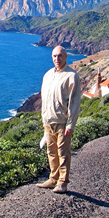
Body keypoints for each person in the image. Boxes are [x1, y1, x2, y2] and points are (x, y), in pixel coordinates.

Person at [36, 45, 81, 194]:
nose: (57, 58)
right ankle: (53, 178)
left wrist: (71, 124)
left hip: (63, 122)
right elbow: (45, 99)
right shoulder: (48, 75)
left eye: (60, 55)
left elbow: (74, 102)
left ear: (66, 57)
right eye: (55, 56)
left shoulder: (72, 76)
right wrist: (44, 120)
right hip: (49, 121)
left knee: (63, 153)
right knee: (51, 152)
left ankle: (63, 182)